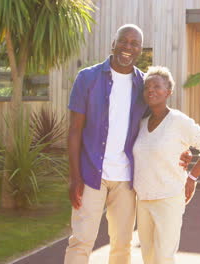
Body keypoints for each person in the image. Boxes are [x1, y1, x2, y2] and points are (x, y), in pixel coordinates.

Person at [64, 24, 191, 264]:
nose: (128, 47)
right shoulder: (88, 78)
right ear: (113, 43)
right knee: (81, 241)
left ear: (140, 50)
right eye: (123, 41)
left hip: (127, 180)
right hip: (91, 174)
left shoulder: (144, 86)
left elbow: (159, 124)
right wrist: (74, 177)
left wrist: (181, 151)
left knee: (122, 245)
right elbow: (74, 131)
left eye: (134, 44)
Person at [133, 66, 200, 264]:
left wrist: (192, 177)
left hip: (169, 198)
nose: (151, 90)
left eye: (157, 86)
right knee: (148, 256)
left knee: (164, 257)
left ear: (168, 92)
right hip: (143, 199)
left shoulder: (178, 121)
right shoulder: (141, 123)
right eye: (147, 87)